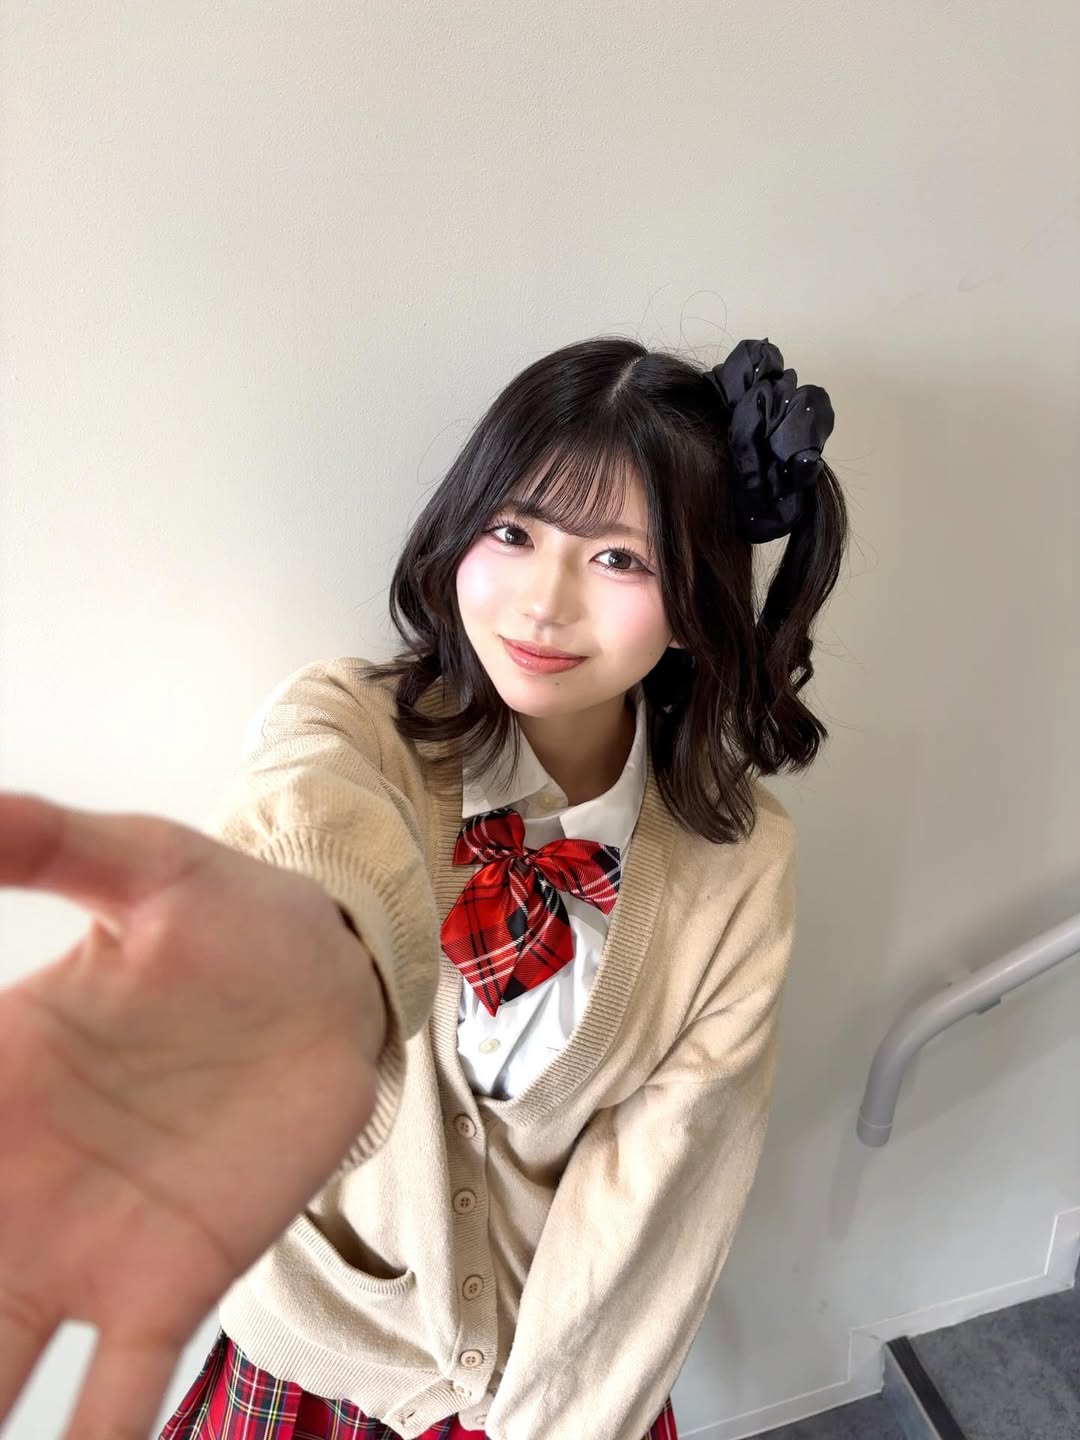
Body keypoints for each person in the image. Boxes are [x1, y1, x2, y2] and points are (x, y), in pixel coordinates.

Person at [0, 333, 847, 1440]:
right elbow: (315, 827)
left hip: (559, 1385)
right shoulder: (354, 723)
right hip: (316, 1358)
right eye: (514, 532)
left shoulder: (738, 868)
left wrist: (549, 1424)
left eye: (618, 560)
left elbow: (659, 1202)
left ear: (695, 600)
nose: (543, 603)